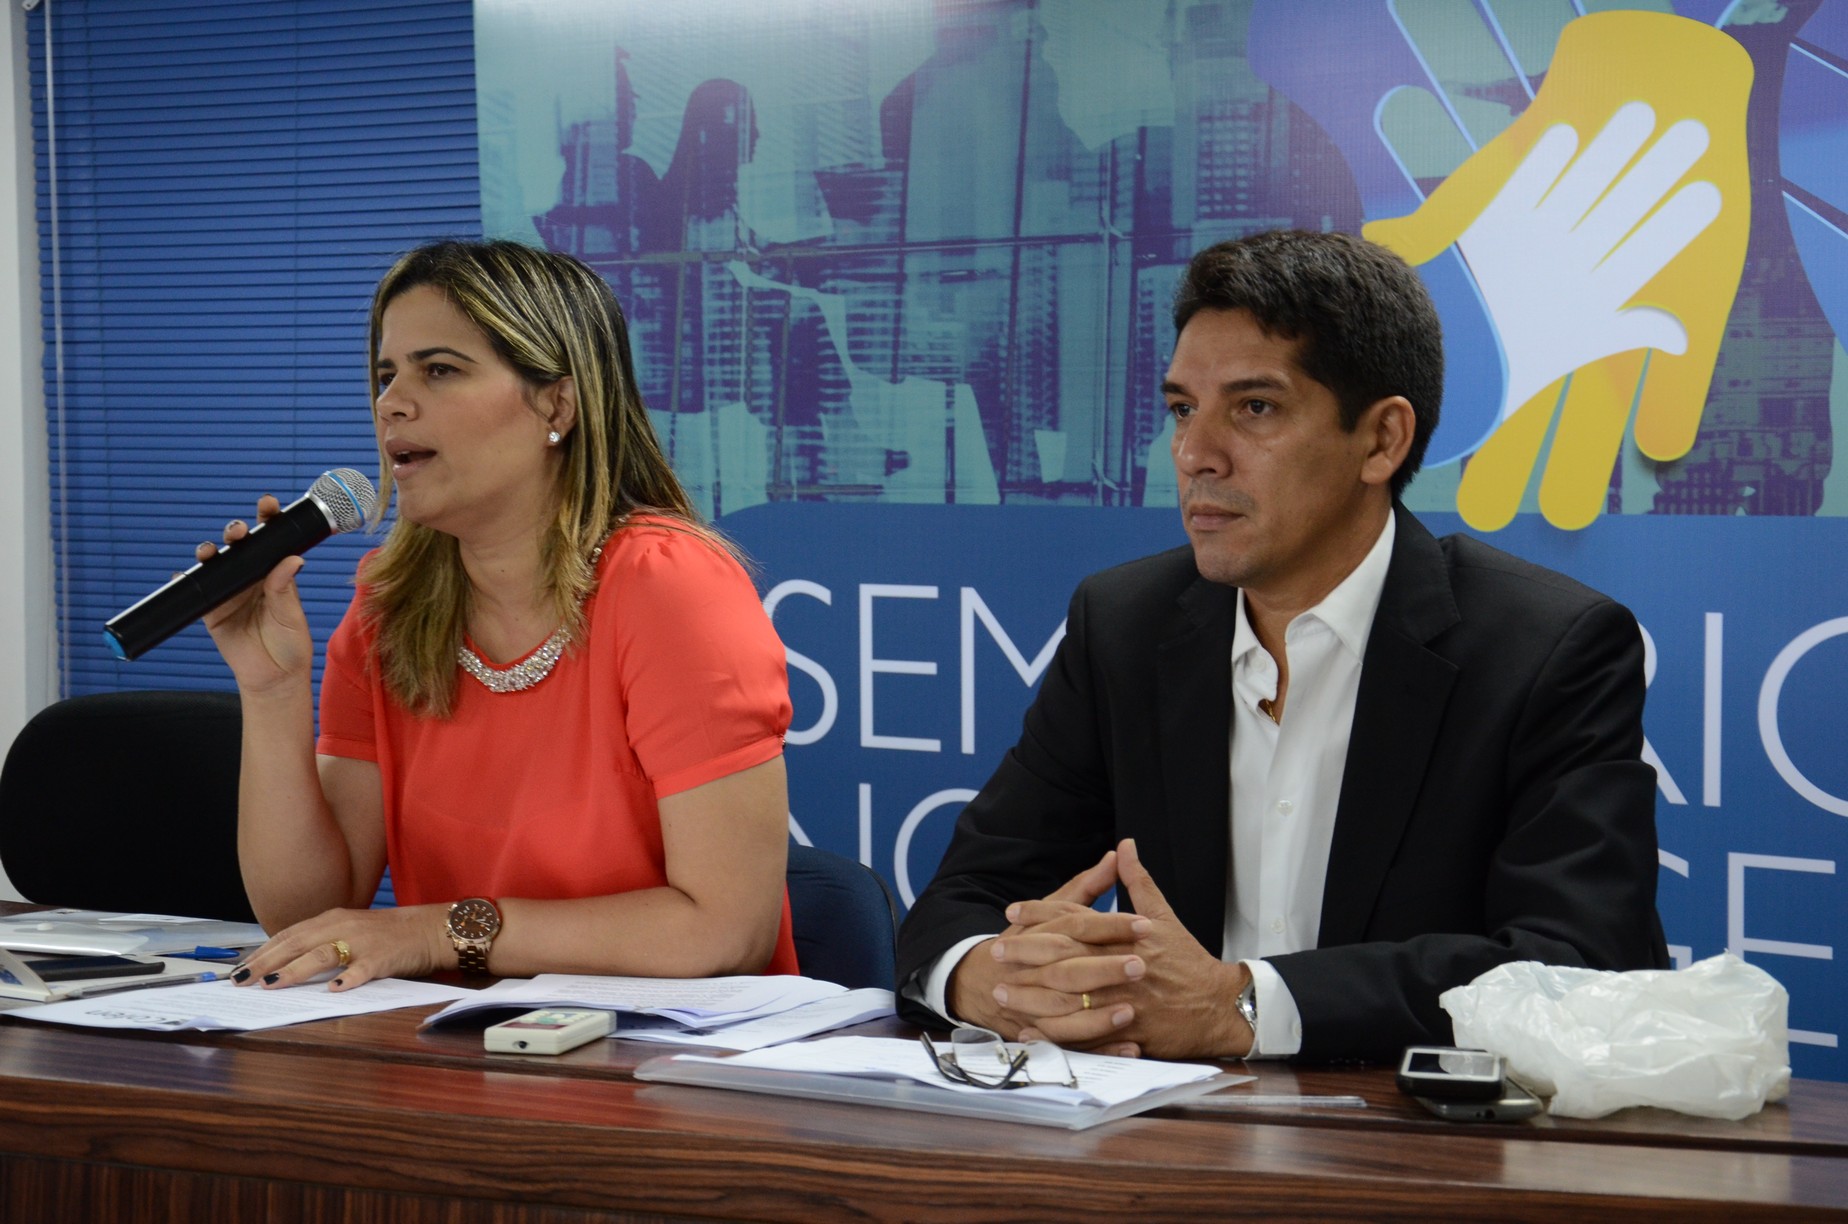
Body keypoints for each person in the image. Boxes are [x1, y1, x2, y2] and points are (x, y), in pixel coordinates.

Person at [895, 229, 1667, 1063]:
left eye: (1254, 408)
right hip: (1160, 1121)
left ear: (1382, 440)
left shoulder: (1546, 648)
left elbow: (1581, 968)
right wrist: (993, 979)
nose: (1194, 454)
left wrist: (1244, 1005)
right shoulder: (1124, 625)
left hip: (1407, 1126)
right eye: (1182, 408)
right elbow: (964, 898)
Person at [202, 239, 798, 989]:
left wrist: (434, 932)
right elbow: (311, 918)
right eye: (386, 375)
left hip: (663, 1047)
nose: (391, 402)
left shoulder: (668, 586)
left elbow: (726, 929)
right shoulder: (389, 600)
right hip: (453, 1042)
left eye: (439, 370)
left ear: (557, 404)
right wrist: (271, 690)